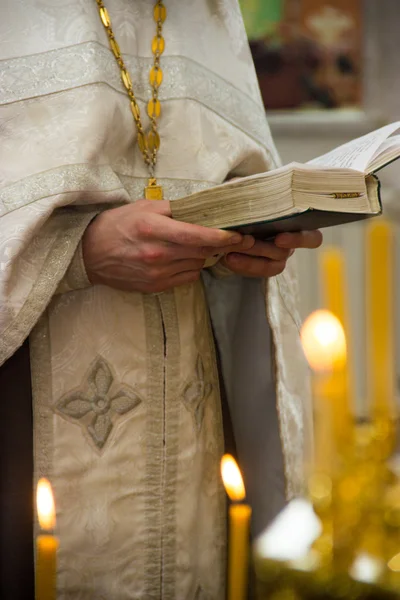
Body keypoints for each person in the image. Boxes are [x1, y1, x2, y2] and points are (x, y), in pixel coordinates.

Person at [0, 1, 322, 598]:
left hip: (192, 413)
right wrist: (74, 253)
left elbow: (227, 167)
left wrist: (253, 239)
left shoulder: (208, 13)